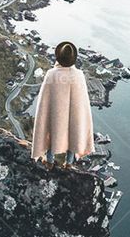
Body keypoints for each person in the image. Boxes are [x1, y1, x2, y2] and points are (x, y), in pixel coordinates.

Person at [30, 40, 94, 168]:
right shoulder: (79, 75)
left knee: (51, 129)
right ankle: (69, 163)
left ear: (58, 57)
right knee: (73, 133)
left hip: (56, 115)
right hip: (73, 115)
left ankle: (49, 161)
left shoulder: (51, 74)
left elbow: (45, 100)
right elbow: (82, 102)